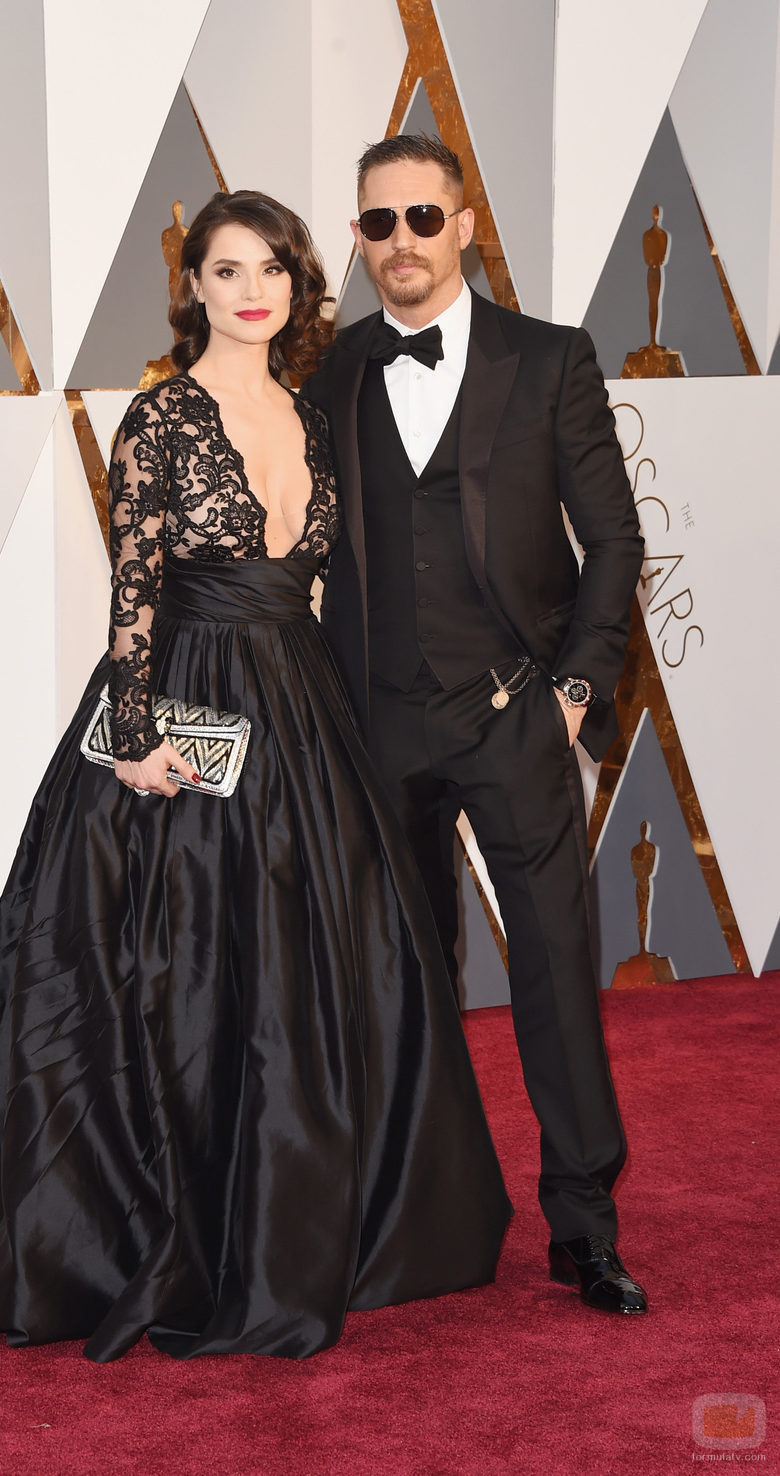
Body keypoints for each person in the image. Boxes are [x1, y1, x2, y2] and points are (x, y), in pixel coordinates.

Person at [0, 189, 510, 1361]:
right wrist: (133, 736)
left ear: (295, 284)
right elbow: (134, 590)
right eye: (226, 271)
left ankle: (309, 1219)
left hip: (299, 705)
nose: (251, 291)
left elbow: (327, 585)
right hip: (183, 698)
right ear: (194, 287)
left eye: (271, 269)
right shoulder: (158, 418)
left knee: (318, 964)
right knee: (182, 966)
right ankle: (170, 1231)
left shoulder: (311, 415)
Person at [302, 135, 648, 1315]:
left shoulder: (547, 358)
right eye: (377, 221)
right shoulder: (329, 372)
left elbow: (613, 540)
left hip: (514, 715)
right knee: (400, 983)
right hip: (376, 721)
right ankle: (420, 1216)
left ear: (462, 226)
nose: (399, 239)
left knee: (552, 970)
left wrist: (571, 693)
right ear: (358, 238)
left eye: (421, 216)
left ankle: (582, 1228)